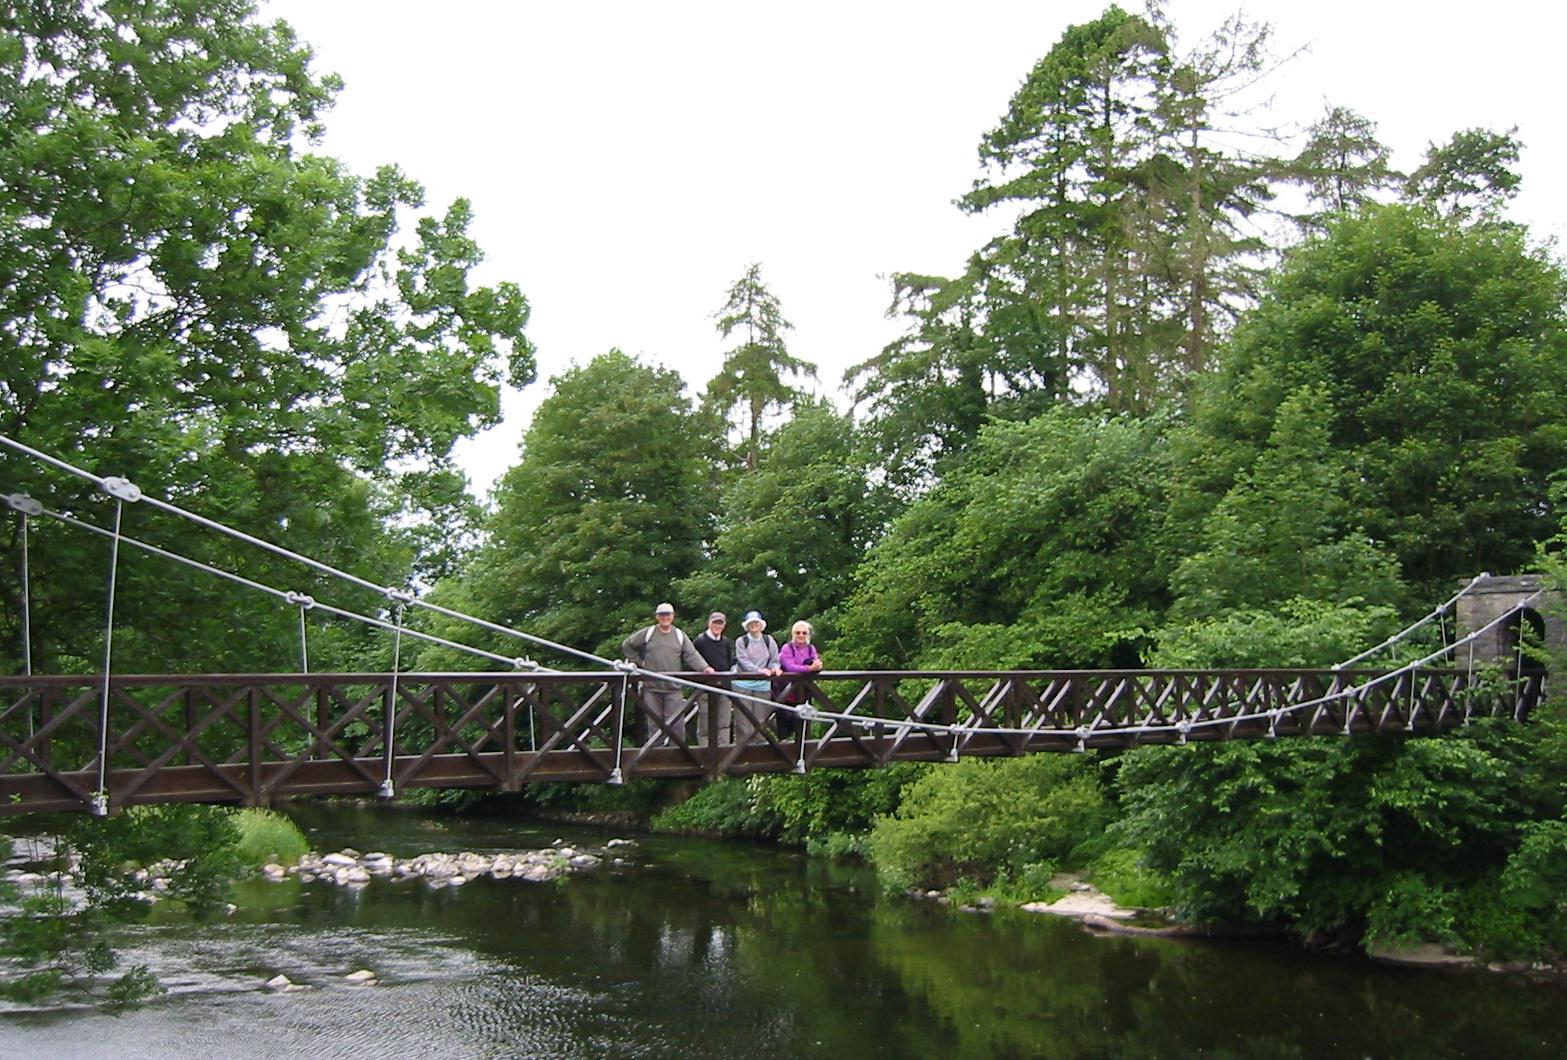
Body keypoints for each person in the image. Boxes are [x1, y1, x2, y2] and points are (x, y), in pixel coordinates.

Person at [620, 602, 712, 745]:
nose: (665, 617)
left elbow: (691, 655)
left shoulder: (680, 635)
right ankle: (656, 758)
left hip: (673, 689)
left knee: (677, 725)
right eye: (662, 614)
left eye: (668, 614)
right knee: (654, 726)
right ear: (657, 617)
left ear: (673, 616)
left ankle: (678, 757)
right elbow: (627, 645)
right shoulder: (648, 633)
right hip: (651, 688)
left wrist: (705, 668)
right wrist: (639, 663)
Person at [731, 611, 781, 744]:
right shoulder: (741, 641)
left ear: (761, 624)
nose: (754, 625)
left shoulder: (768, 640)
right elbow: (742, 660)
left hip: (762, 685)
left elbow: (774, 659)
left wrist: (774, 668)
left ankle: (760, 751)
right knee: (743, 720)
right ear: (746, 626)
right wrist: (758, 671)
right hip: (742, 684)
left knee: (761, 720)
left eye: (756, 623)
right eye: (750, 623)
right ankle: (742, 750)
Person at [692, 611, 736, 745]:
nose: (717, 626)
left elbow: (730, 663)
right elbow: (693, 662)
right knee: (705, 726)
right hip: (705, 689)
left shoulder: (727, 642)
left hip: (724, 689)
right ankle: (704, 756)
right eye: (715, 623)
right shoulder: (700, 641)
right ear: (709, 623)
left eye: (720, 623)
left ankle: (723, 757)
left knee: (724, 724)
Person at [774, 620, 822, 739]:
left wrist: (818, 665)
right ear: (793, 634)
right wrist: (810, 668)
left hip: (804, 691)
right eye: (798, 632)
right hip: (785, 692)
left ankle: (804, 749)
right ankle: (783, 749)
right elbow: (790, 667)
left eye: (804, 633)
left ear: (808, 635)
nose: (801, 635)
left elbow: (816, 662)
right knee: (785, 724)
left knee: (804, 722)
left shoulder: (811, 648)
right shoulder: (787, 648)